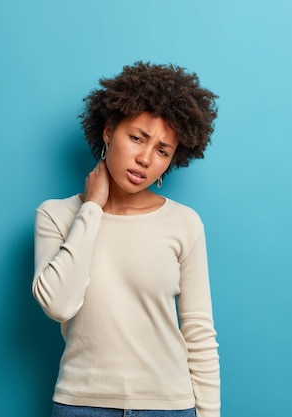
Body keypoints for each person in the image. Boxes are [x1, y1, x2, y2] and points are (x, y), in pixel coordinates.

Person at [32, 62, 220, 417]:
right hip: (81, 405)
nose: (146, 158)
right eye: (137, 137)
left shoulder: (183, 223)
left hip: (169, 407)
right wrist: (91, 210)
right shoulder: (55, 216)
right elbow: (58, 305)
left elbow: (199, 333)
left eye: (163, 150)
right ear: (107, 132)